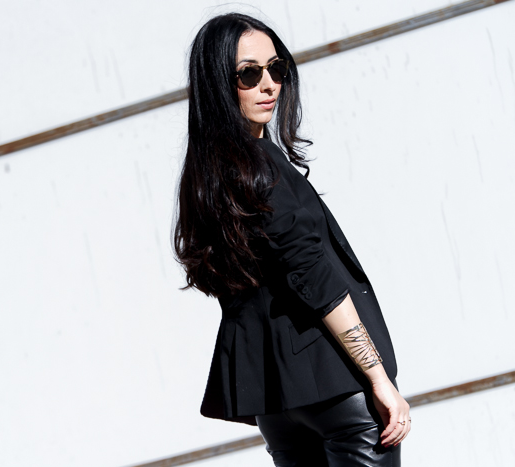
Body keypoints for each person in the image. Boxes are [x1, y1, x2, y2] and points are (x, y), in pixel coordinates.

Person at [173, 12, 411, 467]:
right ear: (218, 84)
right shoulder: (260, 171)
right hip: (336, 387)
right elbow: (313, 275)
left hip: (277, 402)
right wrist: (378, 378)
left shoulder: (207, 178)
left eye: (276, 68)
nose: (269, 85)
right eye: (249, 74)